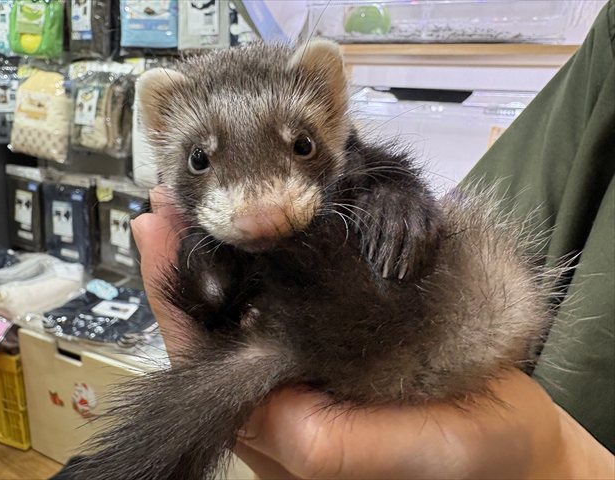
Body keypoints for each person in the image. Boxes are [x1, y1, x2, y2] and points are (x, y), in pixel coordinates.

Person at [130, 2, 615, 478]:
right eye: (200, 161)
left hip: (404, 338)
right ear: (160, 134)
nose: (259, 211)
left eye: (302, 147)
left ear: (333, 113)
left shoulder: (376, 183)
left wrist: (557, 459)